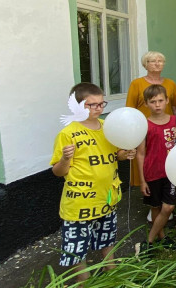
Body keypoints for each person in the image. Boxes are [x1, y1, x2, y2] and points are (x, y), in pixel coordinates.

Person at [50, 83, 136, 282]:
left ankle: (111, 275)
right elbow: (57, 171)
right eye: (92, 105)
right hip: (79, 204)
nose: (99, 108)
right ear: (78, 106)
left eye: (101, 103)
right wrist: (64, 159)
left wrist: (125, 154)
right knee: (77, 250)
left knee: (107, 240)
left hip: (106, 198)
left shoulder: (108, 127)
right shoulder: (68, 133)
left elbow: (116, 155)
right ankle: (84, 284)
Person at [126, 51, 176, 187]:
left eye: (160, 61)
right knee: (145, 159)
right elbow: (130, 110)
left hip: (166, 129)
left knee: (166, 158)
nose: (157, 63)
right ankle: (147, 192)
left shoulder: (170, 83)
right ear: (145, 65)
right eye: (153, 61)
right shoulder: (136, 84)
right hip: (144, 130)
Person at [136, 84, 176, 253]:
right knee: (155, 207)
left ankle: (148, 241)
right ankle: (161, 238)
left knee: (168, 207)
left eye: (161, 100)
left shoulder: (175, 121)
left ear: (167, 101)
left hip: (172, 172)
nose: (157, 105)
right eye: (153, 101)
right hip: (152, 172)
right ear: (146, 103)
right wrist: (142, 180)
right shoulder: (144, 125)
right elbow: (140, 153)